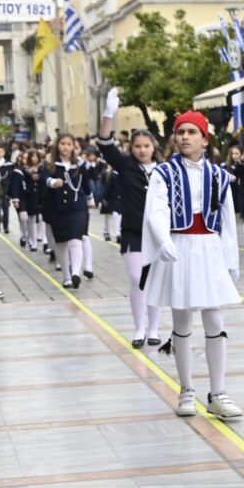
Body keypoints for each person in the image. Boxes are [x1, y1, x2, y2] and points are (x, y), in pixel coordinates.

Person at [143, 112, 243, 418]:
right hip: (180, 246)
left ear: (204, 138)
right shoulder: (163, 173)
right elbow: (157, 210)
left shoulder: (219, 175)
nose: (185, 137)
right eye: (180, 132)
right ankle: (186, 390)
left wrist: (232, 260)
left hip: (209, 248)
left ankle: (218, 393)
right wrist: (163, 240)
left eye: (191, 132)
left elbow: (227, 220)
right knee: (182, 319)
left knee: (214, 318)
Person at [97, 88, 163, 348]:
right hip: (133, 231)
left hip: (158, 233)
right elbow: (104, 143)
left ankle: (154, 327)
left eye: (146, 146)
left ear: (153, 146)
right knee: (137, 278)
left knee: (155, 280)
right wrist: (108, 113)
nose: (142, 150)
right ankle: (139, 328)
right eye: (137, 146)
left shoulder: (165, 169)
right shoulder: (125, 165)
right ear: (131, 148)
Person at [40, 134, 91, 290]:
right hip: (57, 208)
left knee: (76, 240)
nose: (65, 147)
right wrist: (53, 182)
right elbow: (44, 178)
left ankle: (75, 273)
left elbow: (86, 184)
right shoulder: (49, 164)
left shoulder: (80, 165)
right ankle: (67, 276)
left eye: (69, 144)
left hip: (77, 208)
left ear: (74, 146)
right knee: (61, 243)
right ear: (57, 145)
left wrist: (91, 199)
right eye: (62, 143)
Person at [11, 150, 46, 251]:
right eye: (31, 157)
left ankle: (43, 241)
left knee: (42, 219)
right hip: (26, 198)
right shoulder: (21, 171)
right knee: (26, 218)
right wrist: (15, 199)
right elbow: (15, 185)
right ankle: (27, 237)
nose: (33, 159)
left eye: (36, 156)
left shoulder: (42, 169)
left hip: (39, 197)